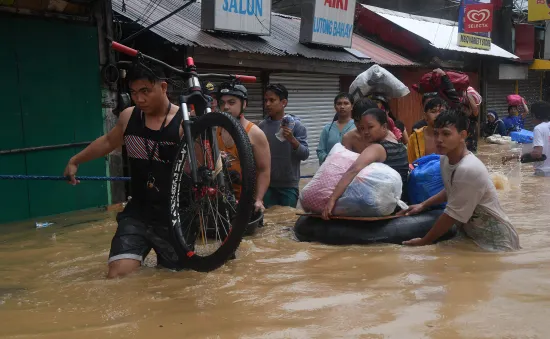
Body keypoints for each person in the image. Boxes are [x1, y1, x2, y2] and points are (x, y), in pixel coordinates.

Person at [64, 64, 185, 278]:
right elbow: (108, 141)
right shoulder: (129, 117)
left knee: (173, 280)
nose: (139, 99)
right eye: (134, 93)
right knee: (118, 275)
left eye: (145, 91)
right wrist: (75, 160)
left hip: (174, 216)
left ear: (163, 87)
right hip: (138, 211)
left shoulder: (184, 123)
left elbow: (206, 170)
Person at [400, 109, 520, 251]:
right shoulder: (445, 159)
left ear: (462, 135)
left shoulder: (469, 168)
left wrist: (424, 242)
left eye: (446, 134)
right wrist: (423, 205)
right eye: (436, 133)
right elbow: (451, 189)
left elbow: (451, 215)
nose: (439, 139)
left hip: (496, 242)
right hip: (472, 235)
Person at [322, 108, 409, 219]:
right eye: (362, 128)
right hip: (401, 199)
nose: (365, 132)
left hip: (386, 203)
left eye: (370, 127)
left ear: (384, 127)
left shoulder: (377, 148)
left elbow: (353, 170)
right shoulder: (396, 142)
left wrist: (332, 199)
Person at [216, 82, 271, 215]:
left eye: (231, 102)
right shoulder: (215, 129)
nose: (226, 107)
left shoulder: (255, 133)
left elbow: (264, 170)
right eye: (222, 103)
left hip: (246, 199)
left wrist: (258, 199)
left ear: (244, 104)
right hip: (222, 197)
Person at [259, 83, 309, 208]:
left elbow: (305, 154)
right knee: (268, 222)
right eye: (266, 100)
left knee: (286, 224)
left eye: (272, 100)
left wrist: (292, 140)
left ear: (284, 103)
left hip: (288, 186)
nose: (268, 104)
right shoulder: (262, 127)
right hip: (267, 185)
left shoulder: (296, 126)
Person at [502, 100, 550, 176]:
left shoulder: (538, 128)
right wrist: (513, 157)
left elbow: (537, 153)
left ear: (535, 115)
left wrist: (521, 158)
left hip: (542, 172)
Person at [317, 93, 355, 165]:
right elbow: (320, 150)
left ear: (352, 106)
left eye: (346, 103)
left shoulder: (357, 127)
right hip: (330, 168)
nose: (342, 106)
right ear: (335, 107)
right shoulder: (328, 128)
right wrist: (328, 159)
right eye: (339, 104)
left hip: (351, 168)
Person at [407, 97, 446, 163]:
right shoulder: (415, 138)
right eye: (433, 111)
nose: (438, 115)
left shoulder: (453, 136)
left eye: (441, 112)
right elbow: (410, 164)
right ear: (425, 116)